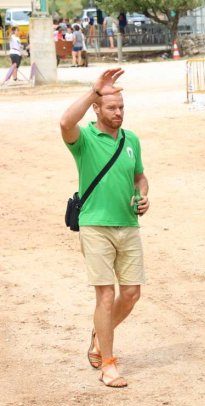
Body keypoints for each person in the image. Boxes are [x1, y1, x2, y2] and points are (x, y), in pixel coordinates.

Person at [60, 68, 150, 388]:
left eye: (121, 107)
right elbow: (65, 123)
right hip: (95, 225)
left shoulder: (131, 139)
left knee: (132, 293)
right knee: (106, 294)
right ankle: (108, 365)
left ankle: (100, 334)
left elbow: (139, 176)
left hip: (128, 225)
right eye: (112, 107)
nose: (118, 113)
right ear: (97, 108)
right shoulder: (84, 139)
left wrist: (143, 195)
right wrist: (92, 91)